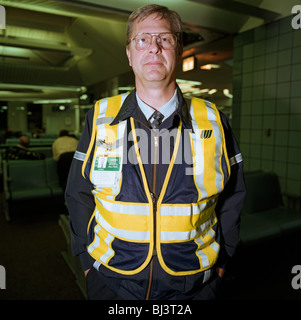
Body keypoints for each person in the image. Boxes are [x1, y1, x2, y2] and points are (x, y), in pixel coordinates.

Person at [65, 4, 246, 300]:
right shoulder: (100, 117)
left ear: (180, 49)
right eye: (142, 39)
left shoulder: (213, 120)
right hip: (113, 283)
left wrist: (223, 261)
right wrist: (87, 264)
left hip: (195, 286)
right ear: (129, 52)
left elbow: (233, 196)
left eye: (165, 39)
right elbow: (78, 192)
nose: (154, 48)